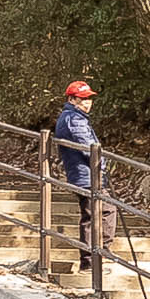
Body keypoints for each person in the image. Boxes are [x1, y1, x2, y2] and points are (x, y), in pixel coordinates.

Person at [52, 80, 113, 254]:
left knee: (95, 213)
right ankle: (96, 257)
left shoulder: (74, 118)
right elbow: (89, 147)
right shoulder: (74, 120)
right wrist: (101, 164)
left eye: (89, 98)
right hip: (86, 175)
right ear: (72, 100)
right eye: (82, 99)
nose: (87, 102)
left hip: (84, 174)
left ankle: (95, 257)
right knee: (101, 212)